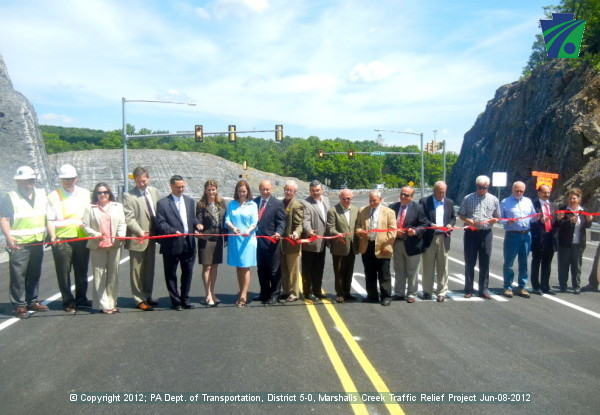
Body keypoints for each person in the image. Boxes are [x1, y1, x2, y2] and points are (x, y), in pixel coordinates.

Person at [0, 166, 49, 318]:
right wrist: (9, 238)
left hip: (37, 241)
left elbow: (46, 215)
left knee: (34, 273)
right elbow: (5, 219)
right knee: (18, 275)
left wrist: (48, 233)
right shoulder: (10, 197)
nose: (26, 183)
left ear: (33, 180)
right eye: (22, 181)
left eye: (29, 180)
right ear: (17, 181)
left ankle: (32, 300)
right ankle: (20, 305)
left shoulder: (41, 194)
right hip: (19, 243)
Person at [47, 163, 92, 313]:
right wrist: (53, 236)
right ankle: (68, 301)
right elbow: (50, 219)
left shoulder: (86, 193)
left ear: (76, 178)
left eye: (71, 178)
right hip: (62, 238)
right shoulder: (53, 196)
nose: (68, 181)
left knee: (82, 270)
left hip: (81, 237)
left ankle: (81, 298)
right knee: (63, 271)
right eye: (65, 179)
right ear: (60, 179)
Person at [155, 175, 201, 310]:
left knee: (188, 272)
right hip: (172, 243)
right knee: (171, 273)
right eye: (178, 187)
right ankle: (175, 301)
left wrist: (197, 225)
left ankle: (185, 299)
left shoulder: (189, 201)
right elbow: (160, 223)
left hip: (189, 243)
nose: (181, 189)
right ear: (171, 186)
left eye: (183, 187)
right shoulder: (163, 203)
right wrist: (172, 231)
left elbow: (192, 219)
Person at [83, 183, 126, 314]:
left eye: (105, 192)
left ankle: (112, 302)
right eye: (100, 192)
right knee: (99, 275)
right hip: (98, 246)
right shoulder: (90, 208)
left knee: (113, 274)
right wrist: (95, 234)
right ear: (95, 194)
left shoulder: (117, 206)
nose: (103, 195)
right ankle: (104, 304)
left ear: (109, 193)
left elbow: (122, 223)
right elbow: (85, 226)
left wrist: (121, 235)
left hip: (114, 245)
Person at [122, 166, 161, 311]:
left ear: (148, 178)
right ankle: (139, 299)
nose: (142, 184)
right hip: (138, 237)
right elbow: (129, 218)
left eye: (144, 181)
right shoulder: (129, 195)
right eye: (138, 182)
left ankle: (148, 295)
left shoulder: (154, 192)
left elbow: (159, 212)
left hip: (153, 237)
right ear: (135, 181)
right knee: (136, 271)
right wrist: (140, 232)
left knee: (149, 269)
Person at [459, 175, 500, 299]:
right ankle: (469, 289)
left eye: (484, 187)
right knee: (470, 261)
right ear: (476, 186)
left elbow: (498, 216)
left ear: (488, 187)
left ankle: (484, 289)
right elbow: (461, 215)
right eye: (479, 187)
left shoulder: (493, 199)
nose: (481, 189)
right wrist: (468, 221)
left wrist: (494, 220)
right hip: (471, 233)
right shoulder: (468, 198)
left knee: (485, 262)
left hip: (486, 233)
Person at [356, 190, 396, 306]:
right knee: (369, 273)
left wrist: (387, 246)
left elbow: (393, 231)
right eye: (370, 200)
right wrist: (360, 232)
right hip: (367, 245)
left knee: (384, 273)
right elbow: (358, 225)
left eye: (375, 200)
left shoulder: (389, 212)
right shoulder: (363, 210)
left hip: (383, 246)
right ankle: (372, 295)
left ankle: (386, 296)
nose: (372, 203)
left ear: (380, 199)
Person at [390, 186, 429, 303]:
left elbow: (424, 225)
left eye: (406, 195)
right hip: (397, 243)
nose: (403, 196)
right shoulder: (393, 207)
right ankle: (399, 292)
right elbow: (387, 224)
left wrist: (415, 231)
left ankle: (412, 294)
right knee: (399, 269)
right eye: (402, 194)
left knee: (412, 271)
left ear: (411, 197)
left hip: (412, 243)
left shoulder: (418, 208)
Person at [419, 181, 456, 303]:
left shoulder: (449, 202)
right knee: (428, 266)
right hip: (430, 237)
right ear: (434, 191)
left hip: (443, 237)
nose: (442, 194)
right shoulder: (425, 201)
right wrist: (430, 224)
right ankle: (427, 291)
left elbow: (453, 217)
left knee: (443, 266)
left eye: (444, 192)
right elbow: (421, 217)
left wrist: (451, 224)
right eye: (440, 192)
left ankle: (441, 292)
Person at [500, 181, 536, 298]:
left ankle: (522, 287)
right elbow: (500, 218)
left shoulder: (528, 201)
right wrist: (508, 221)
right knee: (509, 262)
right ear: (512, 189)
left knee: (524, 262)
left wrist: (540, 218)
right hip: (512, 235)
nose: (519, 193)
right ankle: (507, 286)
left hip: (526, 235)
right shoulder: (505, 202)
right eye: (517, 190)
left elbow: (533, 217)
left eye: (521, 191)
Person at [225, 180, 258, 307]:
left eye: (244, 191)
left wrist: (248, 231)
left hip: (247, 239)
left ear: (248, 192)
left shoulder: (252, 205)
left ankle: (244, 295)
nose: (242, 194)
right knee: (239, 266)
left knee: (245, 266)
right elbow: (227, 219)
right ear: (236, 192)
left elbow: (255, 221)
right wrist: (233, 228)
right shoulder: (232, 204)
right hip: (235, 238)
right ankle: (241, 290)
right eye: (239, 191)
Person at [554, 188, 592, 294]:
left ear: (579, 199)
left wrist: (589, 221)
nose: (572, 200)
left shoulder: (583, 211)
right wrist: (567, 221)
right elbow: (557, 225)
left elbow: (586, 226)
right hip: (565, 243)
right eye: (570, 198)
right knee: (563, 266)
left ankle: (576, 286)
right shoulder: (563, 210)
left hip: (578, 244)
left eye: (574, 198)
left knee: (577, 266)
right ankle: (563, 285)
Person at [253, 180, 285, 305]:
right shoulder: (254, 202)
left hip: (272, 242)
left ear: (272, 189)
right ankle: (264, 293)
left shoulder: (277, 204)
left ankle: (275, 295)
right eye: (263, 189)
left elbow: (282, 221)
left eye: (268, 189)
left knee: (274, 270)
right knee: (261, 269)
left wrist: (279, 232)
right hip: (257, 242)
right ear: (259, 189)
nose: (265, 192)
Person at [196, 179, 227, 306]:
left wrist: (226, 237)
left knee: (214, 266)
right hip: (206, 239)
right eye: (209, 189)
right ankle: (208, 293)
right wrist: (198, 227)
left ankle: (213, 292)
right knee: (207, 266)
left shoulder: (222, 203)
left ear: (216, 190)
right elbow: (197, 219)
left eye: (213, 189)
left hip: (218, 238)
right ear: (205, 190)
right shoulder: (201, 204)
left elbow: (225, 219)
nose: (211, 192)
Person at [326, 189, 360, 303]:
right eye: (344, 198)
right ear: (339, 198)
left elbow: (357, 226)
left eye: (348, 198)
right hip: (339, 245)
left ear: (352, 198)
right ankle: (340, 293)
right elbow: (330, 227)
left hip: (352, 246)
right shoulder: (333, 211)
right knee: (339, 271)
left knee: (349, 270)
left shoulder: (356, 210)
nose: (346, 200)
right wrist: (337, 234)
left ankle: (347, 292)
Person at [301, 180, 330, 301]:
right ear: (310, 191)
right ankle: (308, 292)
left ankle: (317, 290)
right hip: (311, 242)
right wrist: (309, 231)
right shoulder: (306, 203)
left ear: (321, 190)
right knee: (308, 269)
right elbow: (305, 220)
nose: (315, 193)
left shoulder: (326, 201)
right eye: (313, 191)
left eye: (317, 190)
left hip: (323, 242)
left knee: (319, 268)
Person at [530, 184, 557, 295]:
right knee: (536, 262)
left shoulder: (554, 206)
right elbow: (530, 222)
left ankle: (545, 285)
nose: (546, 195)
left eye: (548, 192)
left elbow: (556, 223)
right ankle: (536, 286)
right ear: (539, 193)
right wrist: (539, 221)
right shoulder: (533, 205)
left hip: (550, 238)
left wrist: (559, 219)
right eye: (544, 192)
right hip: (538, 238)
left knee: (547, 263)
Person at [280, 180, 304, 303]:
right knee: (284, 268)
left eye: (290, 190)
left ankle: (294, 293)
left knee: (293, 270)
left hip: (292, 243)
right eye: (286, 190)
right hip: (281, 243)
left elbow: (299, 224)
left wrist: (296, 233)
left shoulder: (296, 205)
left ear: (295, 192)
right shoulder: (280, 203)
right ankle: (285, 291)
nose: (288, 192)